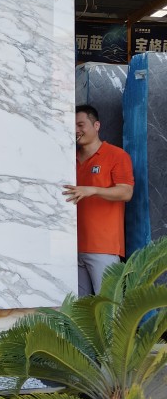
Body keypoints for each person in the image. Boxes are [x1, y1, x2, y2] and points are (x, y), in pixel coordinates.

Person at [63, 103, 134, 296]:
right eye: (72, 126)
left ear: (96, 126)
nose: (76, 130)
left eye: (80, 125)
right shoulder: (67, 158)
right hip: (70, 247)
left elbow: (126, 192)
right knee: (79, 309)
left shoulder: (117, 155)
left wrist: (92, 190)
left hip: (104, 247)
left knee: (109, 306)